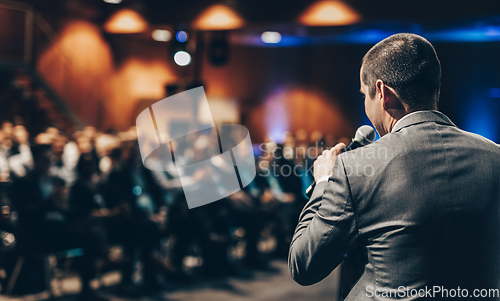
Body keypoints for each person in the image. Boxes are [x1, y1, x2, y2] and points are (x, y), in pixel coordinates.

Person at [289, 33, 500, 300]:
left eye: (365, 95)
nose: (366, 105)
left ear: (382, 93)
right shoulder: (495, 157)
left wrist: (322, 183)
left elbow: (304, 265)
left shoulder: (355, 167)